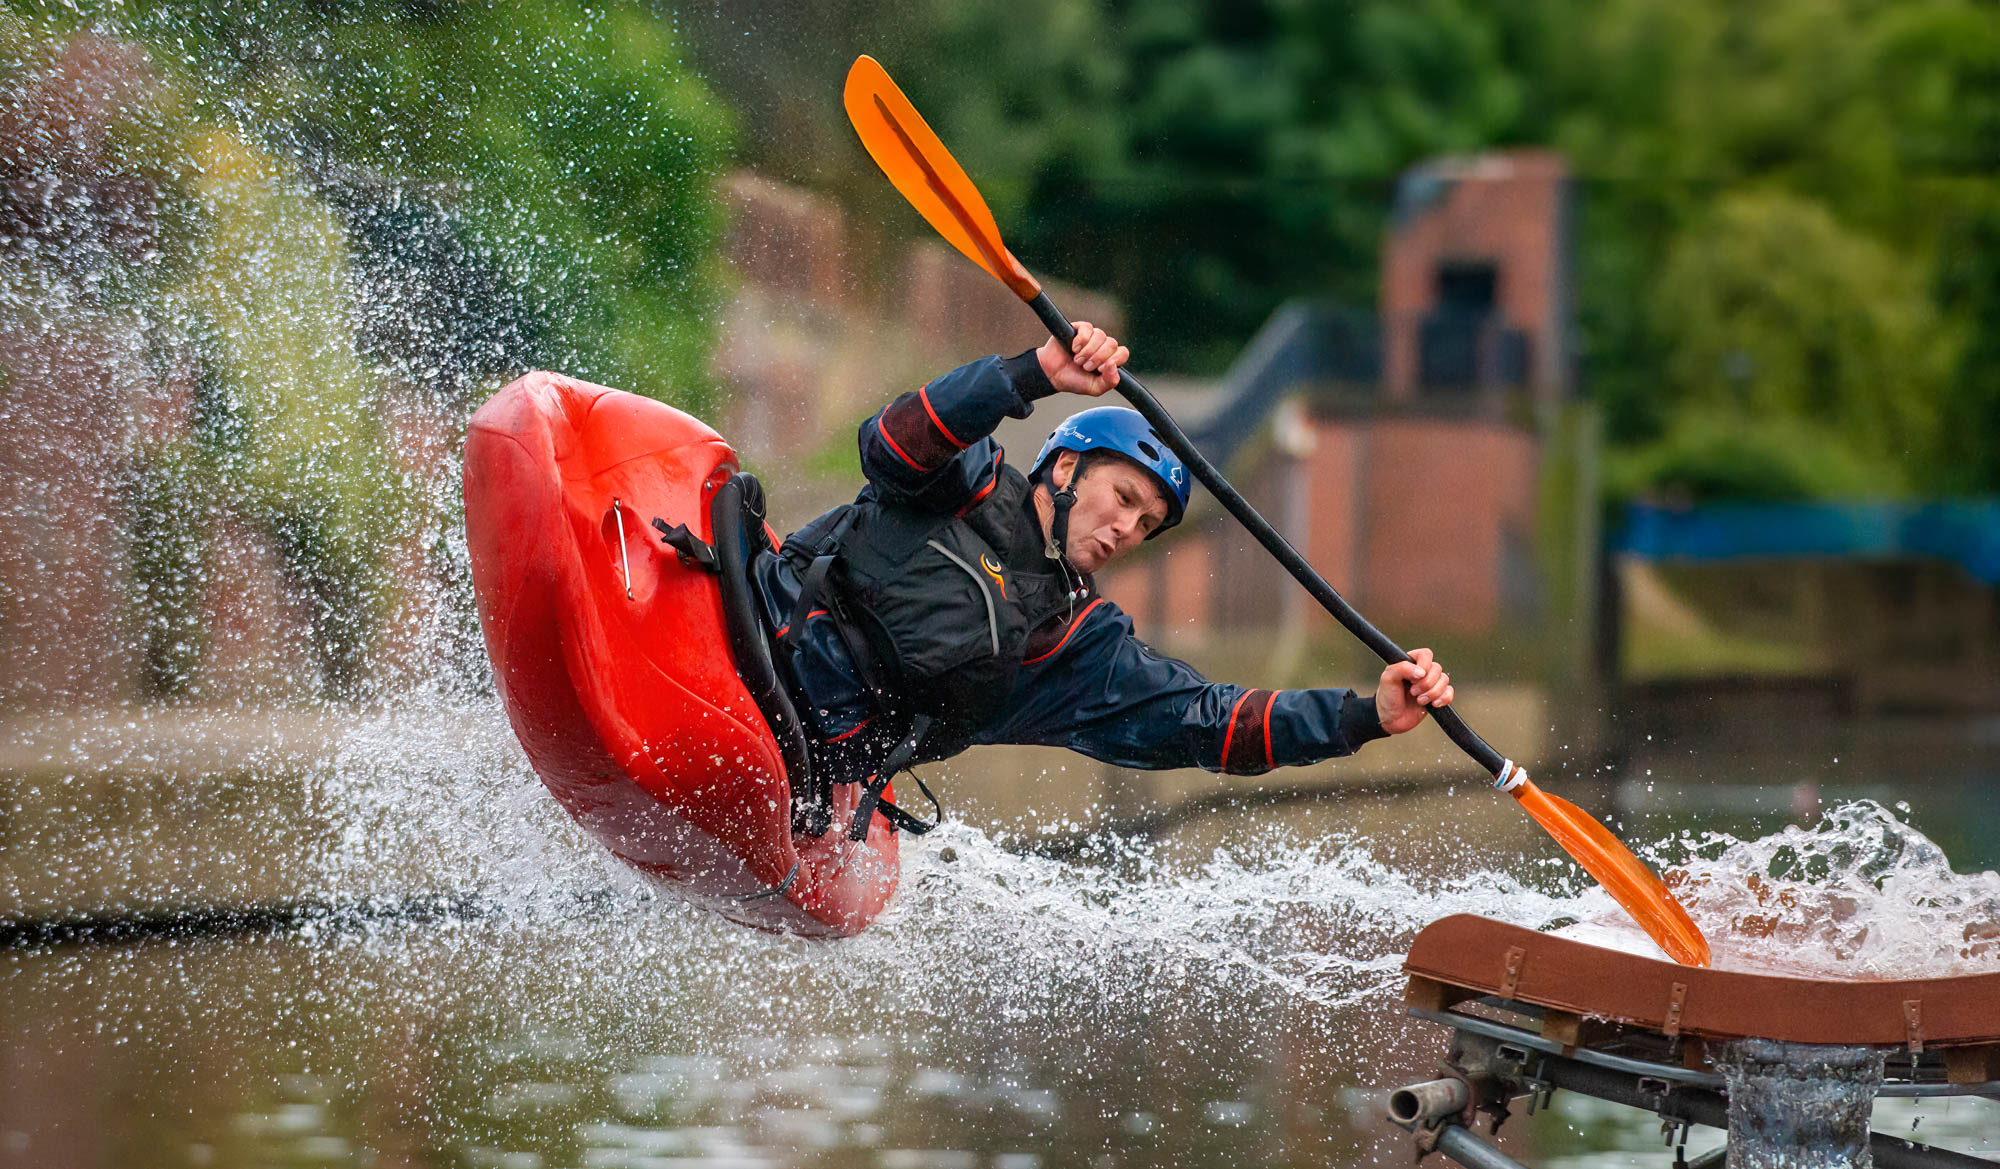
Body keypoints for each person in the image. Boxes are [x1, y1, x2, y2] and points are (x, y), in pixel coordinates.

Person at [753, 324, 1453, 839]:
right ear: (1065, 470)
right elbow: (891, 440)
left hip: (807, 763)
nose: (1128, 529)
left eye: (1146, 524)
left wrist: (1365, 716)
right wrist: (1032, 373)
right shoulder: (966, 480)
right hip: (752, 634)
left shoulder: (1077, 649)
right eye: (1122, 498)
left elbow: (1210, 722)